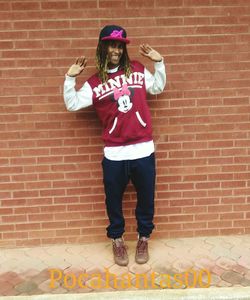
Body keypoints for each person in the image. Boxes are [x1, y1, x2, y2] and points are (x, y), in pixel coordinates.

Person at [63, 25, 166, 266]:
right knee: (113, 200)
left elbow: (157, 87)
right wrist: (70, 79)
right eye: (111, 45)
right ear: (102, 47)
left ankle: (143, 238)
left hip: (143, 149)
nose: (116, 50)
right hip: (114, 153)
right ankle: (117, 240)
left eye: (119, 45)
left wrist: (159, 63)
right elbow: (73, 104)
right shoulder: (94, 82)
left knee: (146, 199)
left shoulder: (138, 71)